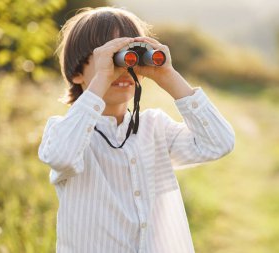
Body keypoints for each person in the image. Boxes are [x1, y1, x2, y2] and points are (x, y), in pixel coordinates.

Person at [38, 6, 235, 253]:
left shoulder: (155, 128)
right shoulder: (63, 131)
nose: (121, 68)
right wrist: (102, 78)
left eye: (129, 56)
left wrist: (168, 76)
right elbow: (62, 156)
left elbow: (219, 143)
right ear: (77, 73)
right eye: (109, 56)